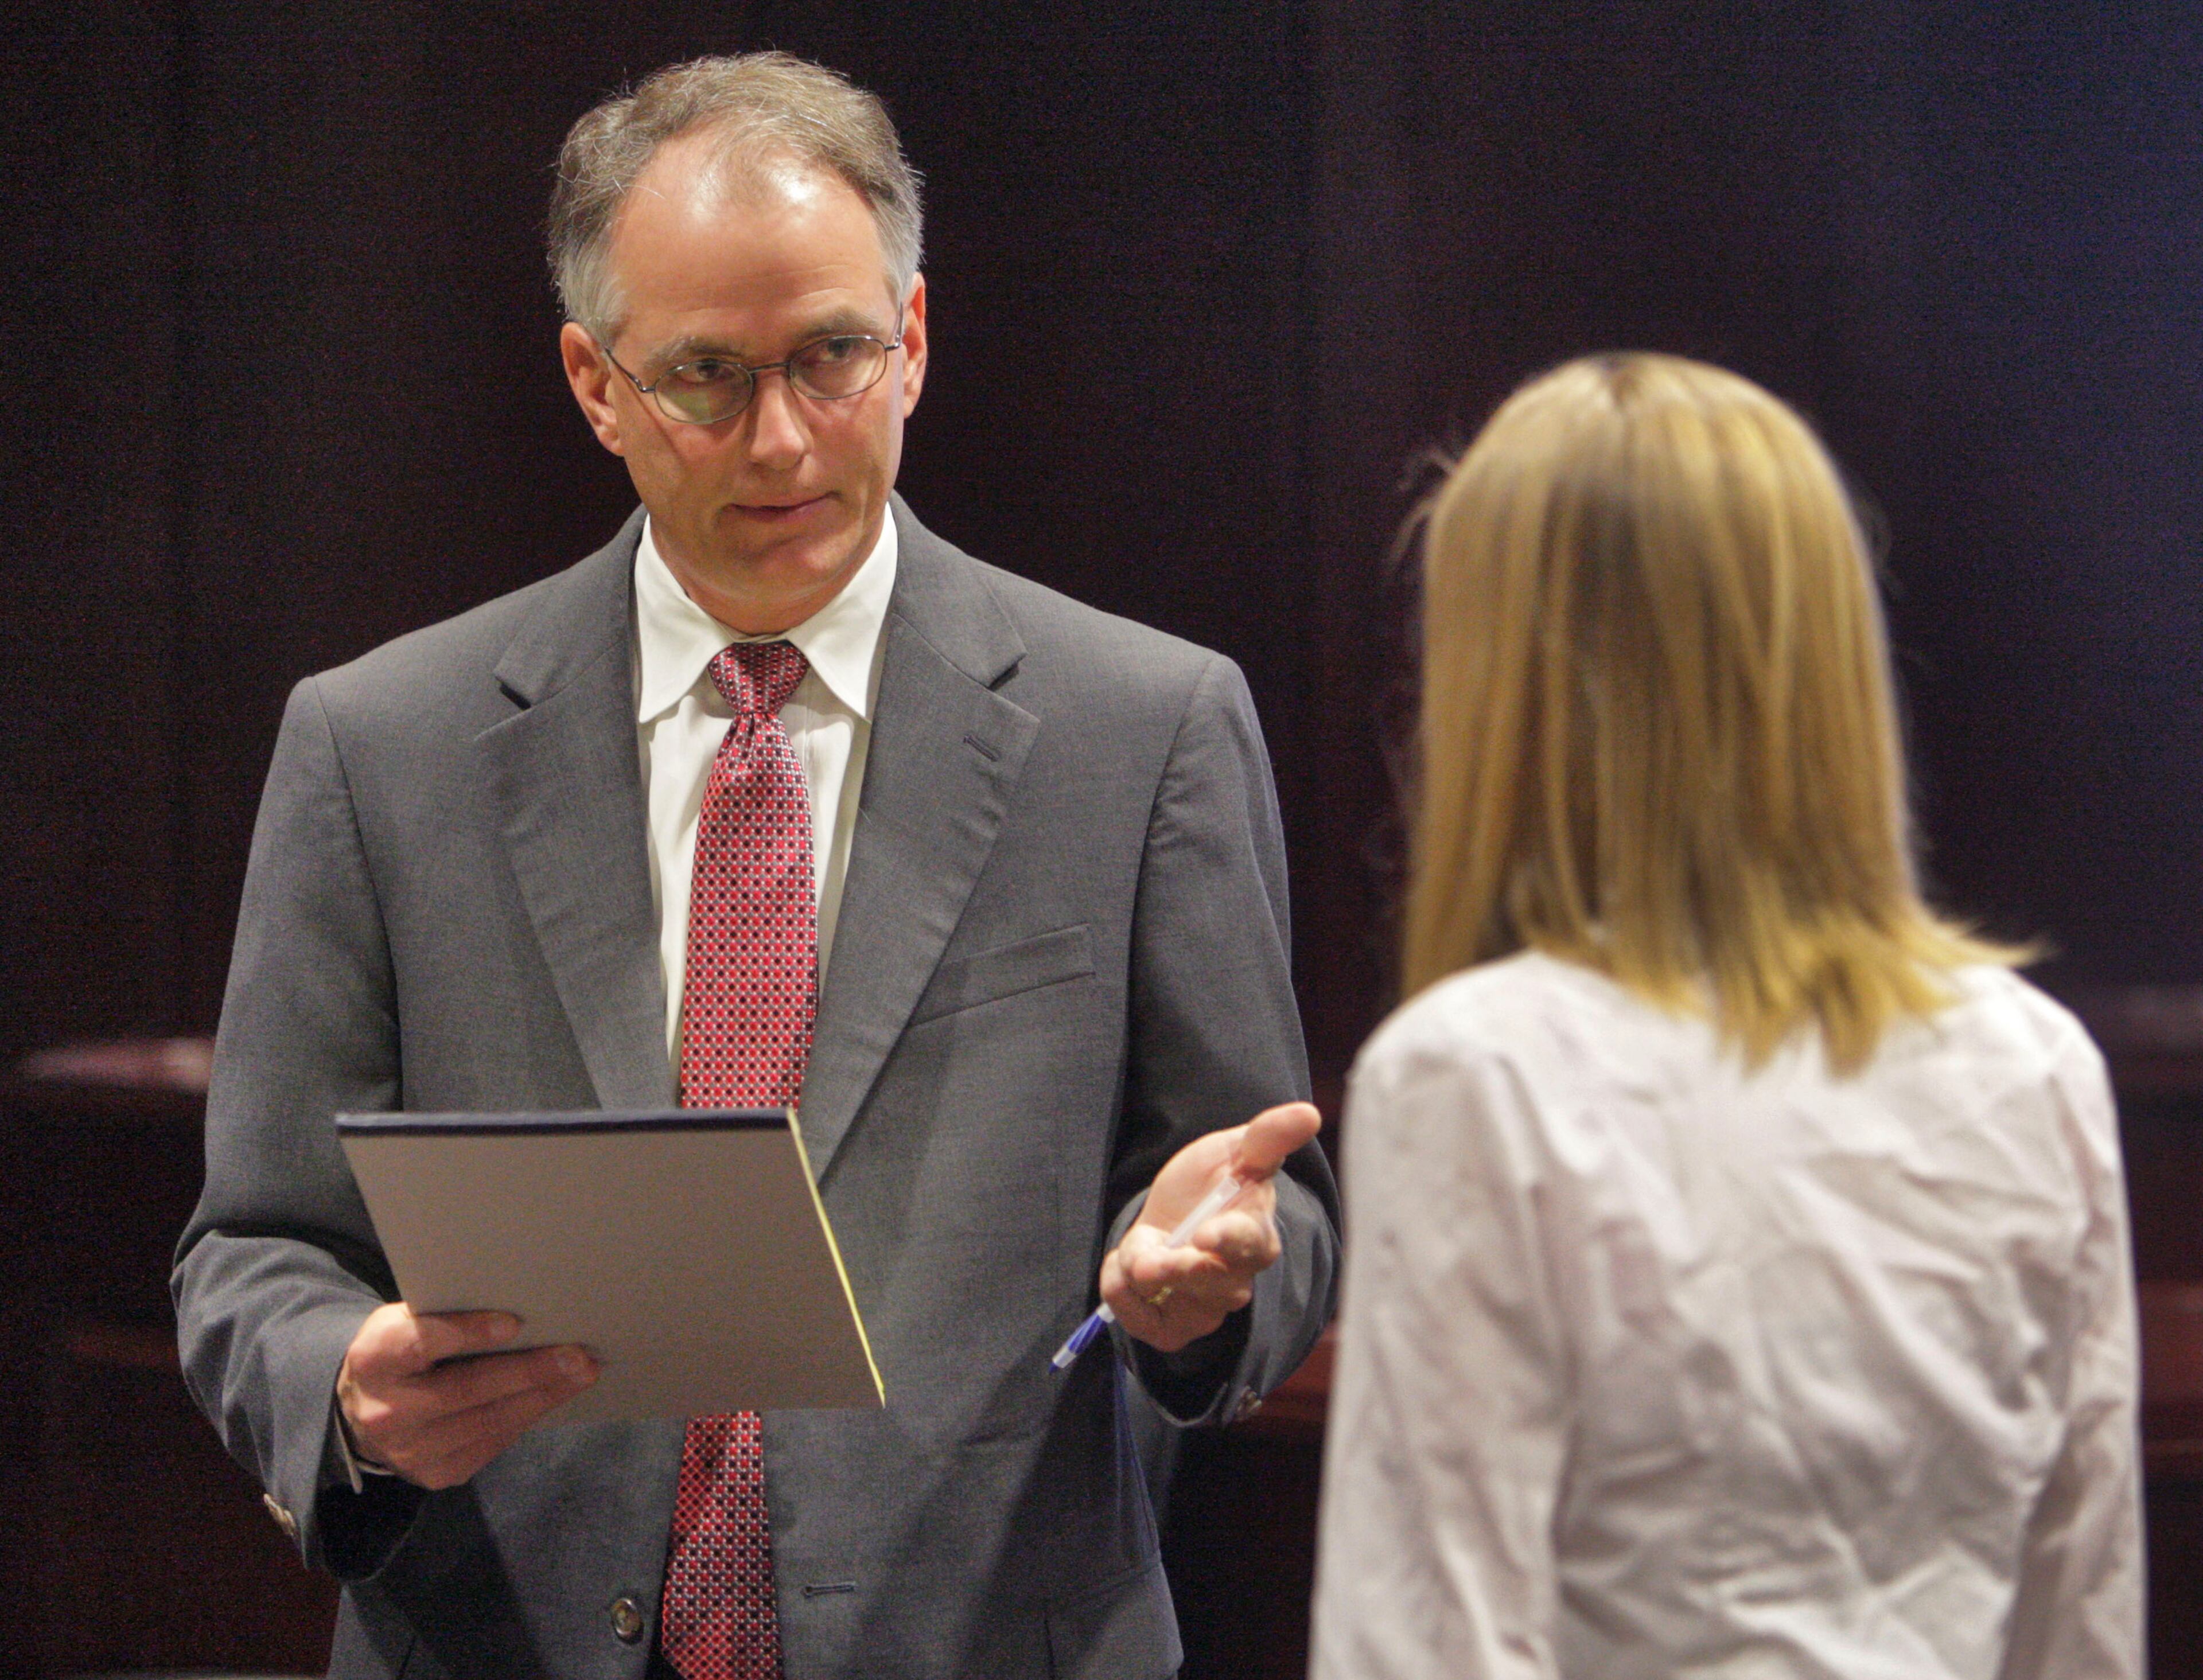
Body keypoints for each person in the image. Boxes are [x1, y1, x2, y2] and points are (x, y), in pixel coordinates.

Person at [173, 52, 1337, 1680]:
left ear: (914, 340)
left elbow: (1264, 1213)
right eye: (708, 376)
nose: (783, 438)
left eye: (835, 357)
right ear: (595, 383)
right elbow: (251, 1250)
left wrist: (1205, 1289)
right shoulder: (385, 747)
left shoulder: (1140, 728)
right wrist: (341, 1383)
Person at [1309, 353, 2142, 1679]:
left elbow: (1424, 1639)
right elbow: (2083, 1611)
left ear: (1507, 682)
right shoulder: (2034, 1063)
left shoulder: (1477, 1074)